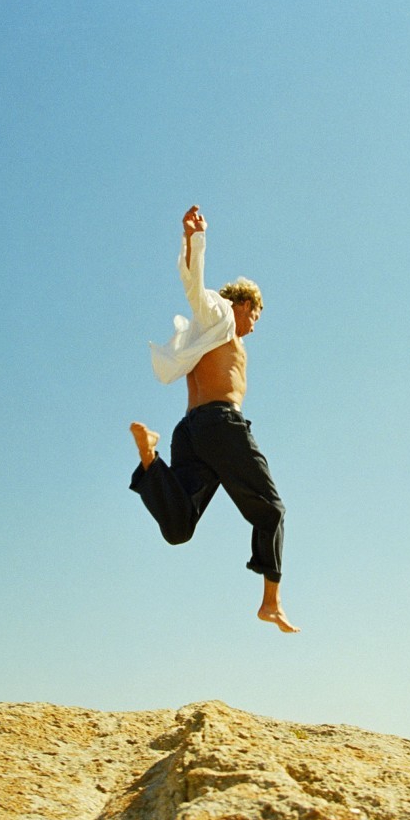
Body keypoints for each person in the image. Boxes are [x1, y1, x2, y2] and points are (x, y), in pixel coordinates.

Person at [129, 205, 298, 633]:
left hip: (191, 433)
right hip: (222, 426)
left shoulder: (210, 333)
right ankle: (270, 602)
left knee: (179, 527)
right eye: (254, 314)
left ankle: (151, 460)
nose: (254, 326)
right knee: (272, 509)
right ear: (239, 303)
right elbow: (194, 286)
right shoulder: (220, 316)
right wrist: (195, 239)